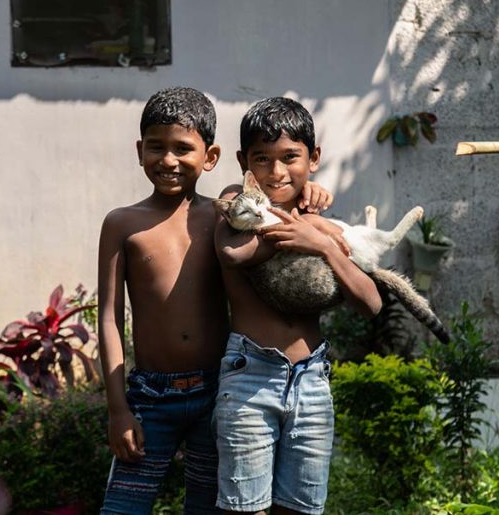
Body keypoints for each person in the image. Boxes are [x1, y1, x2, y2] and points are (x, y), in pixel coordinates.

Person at [97, 88, 335, 514]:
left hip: (220, 389)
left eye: (183, 149)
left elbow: (277, 200)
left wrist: (309, 193)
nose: (168, 160)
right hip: (150, 395)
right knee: (122, 507)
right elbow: (111, 320)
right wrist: (118, 408)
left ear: (210, 157)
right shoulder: (122, 224)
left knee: (208, 506)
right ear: (139, 150)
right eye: (156, 147)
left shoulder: (225, 216)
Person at [213, 96, 382, 515]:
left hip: (312, 377)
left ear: (314, 158)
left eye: (291, 157)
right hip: (250, 375)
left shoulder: (320, 223)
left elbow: (371, 303)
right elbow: (234, 254)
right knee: (245, 509)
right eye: (262, 159)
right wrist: (308, 225)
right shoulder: (238, 203)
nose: (276, 171)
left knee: (301, 508)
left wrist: (324, 244)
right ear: (243, 162)